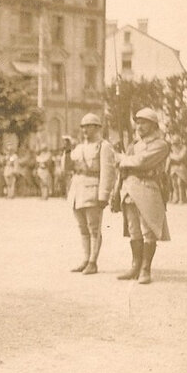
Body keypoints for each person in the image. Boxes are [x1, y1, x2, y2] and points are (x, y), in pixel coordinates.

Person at [111, 108, 170, 285]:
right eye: (138, 122)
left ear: (153, 125)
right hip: (129, 189)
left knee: (148, 230)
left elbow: (142, 162)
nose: (139, 126)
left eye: (144, 122)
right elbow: (123, 168)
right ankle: (135, 266)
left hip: (148, 188)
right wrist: (116, 190)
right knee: (133, 230)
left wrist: (122, 158)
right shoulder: (134, 146)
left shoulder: (161, 145)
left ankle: (146, 269)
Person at [64, 113, 115, 274]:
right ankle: (85, 259)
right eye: (83, 126)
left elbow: (108, 172)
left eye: (89, 126)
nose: (85, 130)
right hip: (77, 191)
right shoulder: (78, 147)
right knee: (82, 228)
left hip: (93, 190)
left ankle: (93, 261)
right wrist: (66, 152)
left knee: (94, 228)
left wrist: (104, 195)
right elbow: (66, 168)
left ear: (98, 128)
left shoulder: (104, 146)